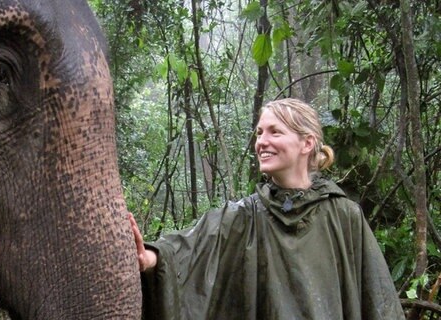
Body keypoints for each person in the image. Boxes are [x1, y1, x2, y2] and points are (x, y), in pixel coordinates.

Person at [129, 98, 405, 319]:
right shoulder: (244, 216)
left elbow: (377, 299)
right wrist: (151, 257)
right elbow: (189, 250)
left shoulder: (343, 215)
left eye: (275, 132)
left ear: (307, 143)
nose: (262, 141)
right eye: (260, 133)